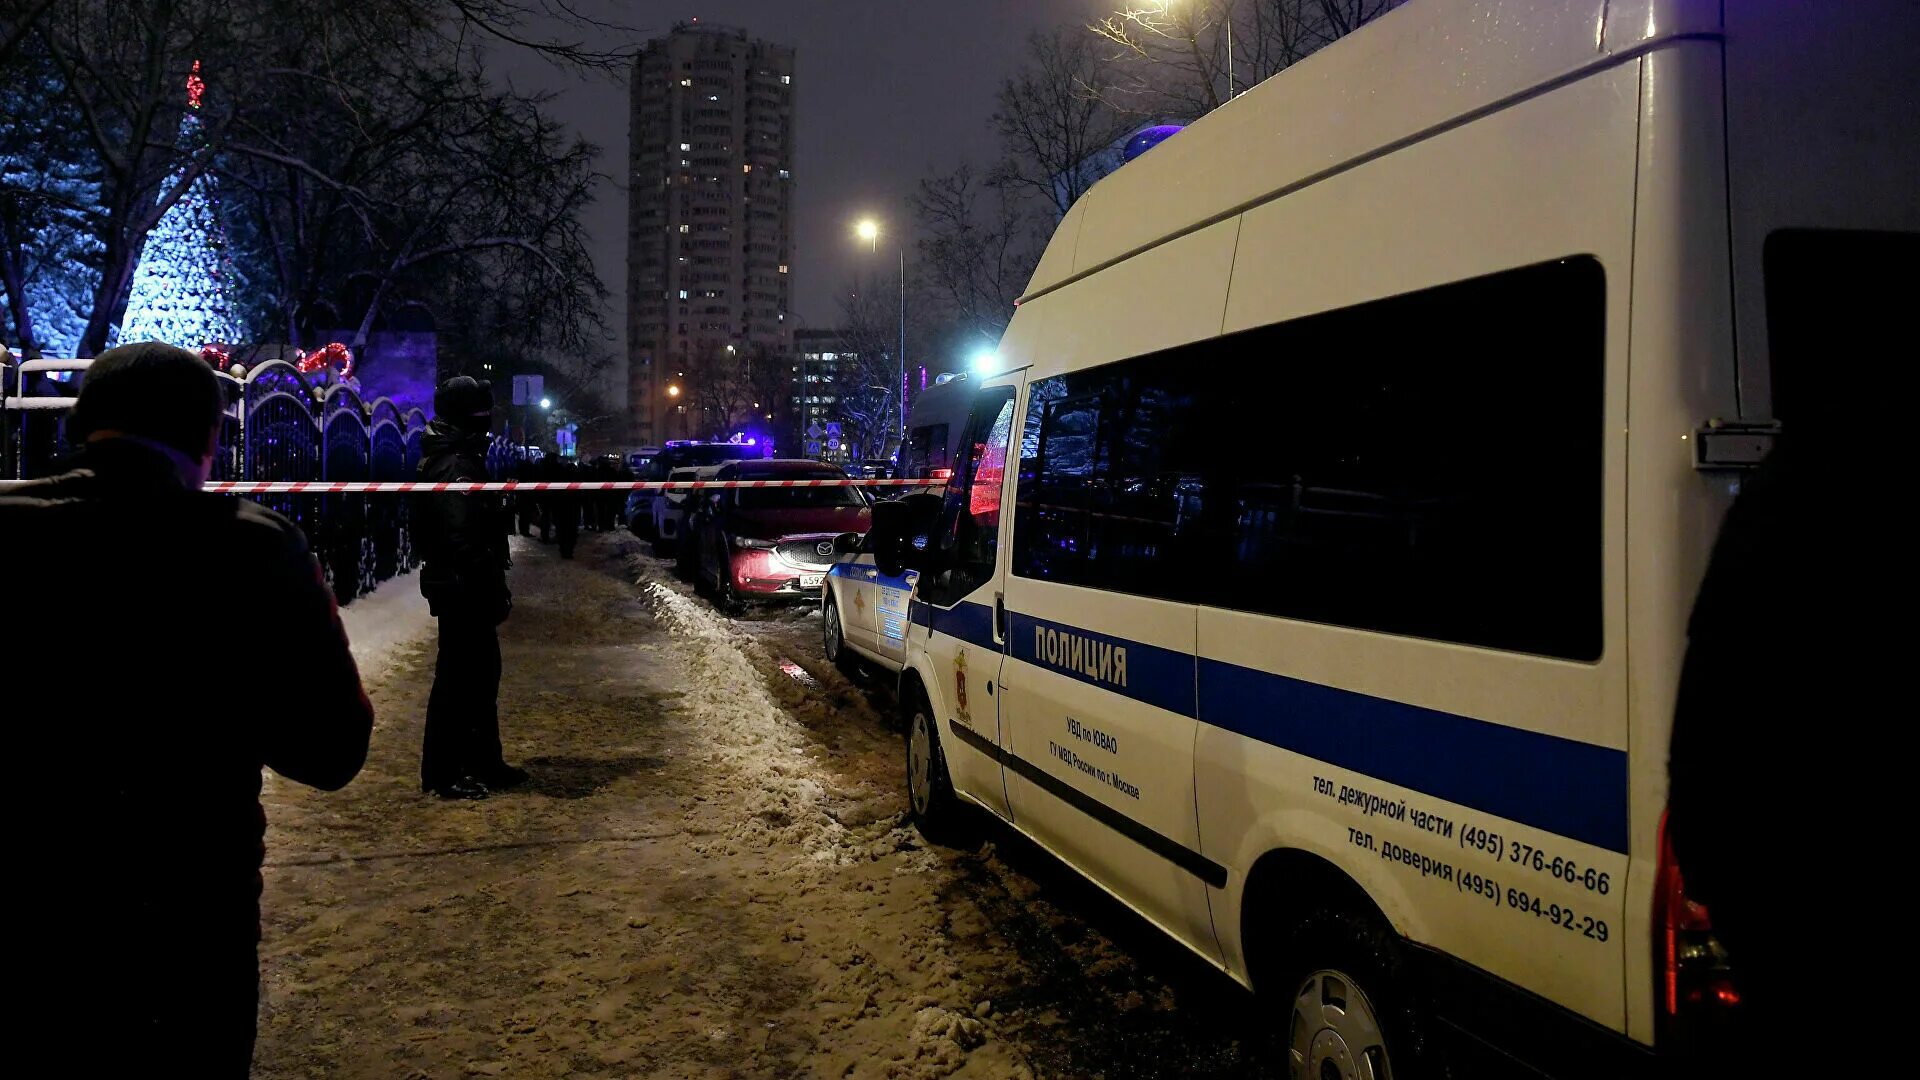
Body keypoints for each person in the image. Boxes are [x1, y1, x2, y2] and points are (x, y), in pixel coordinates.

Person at [0, 342, 374, 1075]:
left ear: (81, 424)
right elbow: (333, 749)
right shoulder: (251, 548)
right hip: (187, 919)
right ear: (209, 438)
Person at [412, 376, 526, 799]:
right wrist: (488, 580)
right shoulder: (454, 463)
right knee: (459, 681)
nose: (487, 420)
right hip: (462, 587)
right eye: (481, 411)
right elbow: (459, 535)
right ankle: (445, 773)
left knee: (480, 676)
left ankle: (482, 761)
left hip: (463, 583)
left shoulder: (456, 455)